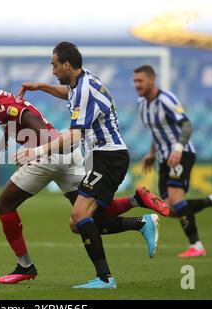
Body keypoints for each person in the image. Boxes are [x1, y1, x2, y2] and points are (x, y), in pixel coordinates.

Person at [0, 77, 167, 286]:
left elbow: (30, 120)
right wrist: (3, 141)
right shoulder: (3, 99)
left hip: (48, 158)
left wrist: (38, 151)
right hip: (68, 155)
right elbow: (15, 119)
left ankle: (25, 265)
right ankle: (137, 207)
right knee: (87, 216)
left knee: (4, 206)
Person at [17, 42, 168, 289]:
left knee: (79, 216)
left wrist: (36, 151)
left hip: (108, 157)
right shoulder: (78, 84)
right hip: (102, 157)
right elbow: (68, 94)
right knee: (79, 223)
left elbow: (75, 137)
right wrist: (41, 87)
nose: (52, 71)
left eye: (54, 65)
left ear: (67, 64)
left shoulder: (85, 88)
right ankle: (140, 217)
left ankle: (105, 278)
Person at [132, 64, 212, 258]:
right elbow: (156, 132)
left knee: (177, 200)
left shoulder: (166, 99)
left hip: (181, 154)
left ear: (152, 80)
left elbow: (186, 125)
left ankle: (196, 246)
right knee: (168, 209)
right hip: (164, 159)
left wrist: (178, 148)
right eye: (135, 81)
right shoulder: (142, 105)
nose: (137, 84)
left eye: (141, 80)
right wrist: (152, 154)